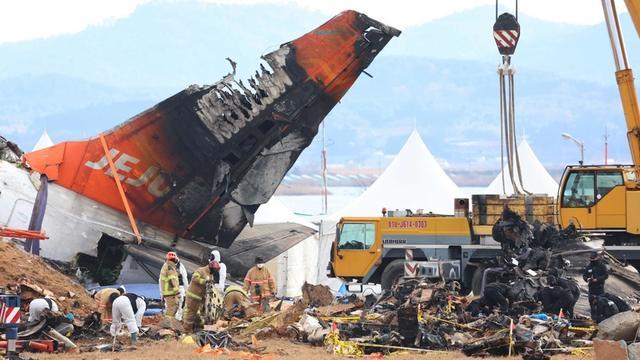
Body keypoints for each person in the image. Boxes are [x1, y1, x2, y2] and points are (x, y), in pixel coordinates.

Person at [182, 260, 221, 333]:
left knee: (202, 313)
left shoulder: (210, 275)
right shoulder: (201, 270)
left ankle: (199, 328)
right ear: (211, 268)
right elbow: (194, 278)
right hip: (193, 296)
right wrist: (204, 281)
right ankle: (187, 331)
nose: (215, 272)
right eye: (214, 270)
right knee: (191, 313)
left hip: (201, 297)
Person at [159, 251, 181, 322]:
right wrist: (177, 293)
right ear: (175, 259)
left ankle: (168, 324)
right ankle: (167, 325)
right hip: (170, 292)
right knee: (172, 309)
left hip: (167, 292)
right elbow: (173, 280)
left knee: (170, 309)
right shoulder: (170, 267)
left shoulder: (166, 266)